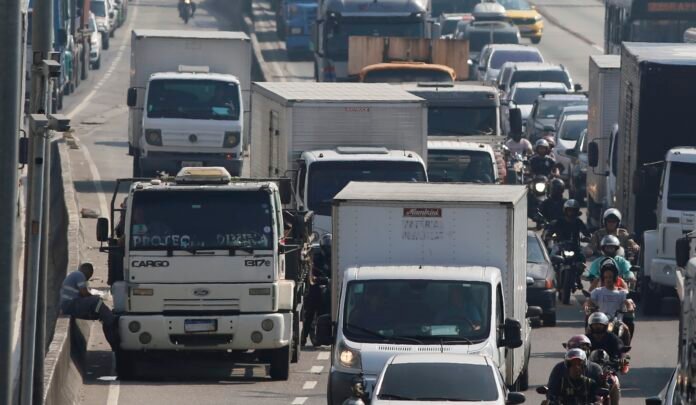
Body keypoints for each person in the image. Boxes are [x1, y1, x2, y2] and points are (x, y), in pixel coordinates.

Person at [61, 263, 119, 350]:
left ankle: (113, 338)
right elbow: (84, 293)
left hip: (70, 305)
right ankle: (112, 319)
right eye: (90, 275)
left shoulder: (74, 275)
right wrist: (94, 297)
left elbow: (82, 295)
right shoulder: (79, 275)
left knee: (101, 315)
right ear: (87, 271)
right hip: (70, 304)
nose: (88, 278)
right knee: (96, 301)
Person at [586, 263, 636, 338]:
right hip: (601, 321)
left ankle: (625, 344)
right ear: (603, 278)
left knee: (626, 329)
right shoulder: (597, 292)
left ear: (615, 278)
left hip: (617, 321)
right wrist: (588, 306)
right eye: (606, 277)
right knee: (589, 330)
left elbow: (628, 302)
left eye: (610, 277)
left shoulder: (621, 292)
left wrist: (630, 308)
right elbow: (589, 301)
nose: (608, 279)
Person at [301, 233, 331, 346]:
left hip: (327, 290)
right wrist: (319, 279)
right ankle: (303, 337)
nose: (328, 249)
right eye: (327, 247)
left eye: (330, 247)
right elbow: (311, 276)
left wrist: (328, 280)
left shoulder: (334, 259)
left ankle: (323, 335)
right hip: (315, 289)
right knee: (309, 314)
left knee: (326, 313)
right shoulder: (316, 258)